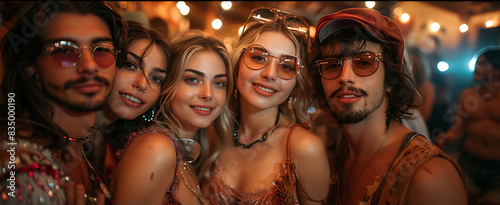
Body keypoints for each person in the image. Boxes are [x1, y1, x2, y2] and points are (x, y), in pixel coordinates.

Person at [310, 8, 467, 205]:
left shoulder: (429, 177)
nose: (345, 77)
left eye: (364, 62)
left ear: (390, 81)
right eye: (332, 65)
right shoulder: (335, 152)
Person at [0, 1, 127, 204]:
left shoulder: (84, 142)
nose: (90, 66)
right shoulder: (22, 172)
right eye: (65, 51)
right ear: (31, 68)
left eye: (101, 49)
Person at [201, 6, 330, 204]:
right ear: (237, 62)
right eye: (258, 57)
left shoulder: (305, 148)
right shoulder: (213, 131)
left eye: (286, 66)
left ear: (297, 82)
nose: (270, 73)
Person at [109, 29, 233, 205]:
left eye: (219, 83)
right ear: (168, 84)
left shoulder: (182, 152)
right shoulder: (156, 149)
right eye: (192, 79)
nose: (208, 94)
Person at [91, 20, 171, 181]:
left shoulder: (118, 144)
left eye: (156, 78)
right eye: (130, 65)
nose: (142, 84)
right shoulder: (64, 135)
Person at [437, 46, 500, 205]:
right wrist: (445, 138)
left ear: (497, 68)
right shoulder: (468, 94)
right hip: (469, 161)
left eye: (483, 63)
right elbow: (458, 129)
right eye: (477, 63)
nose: (476, 67)